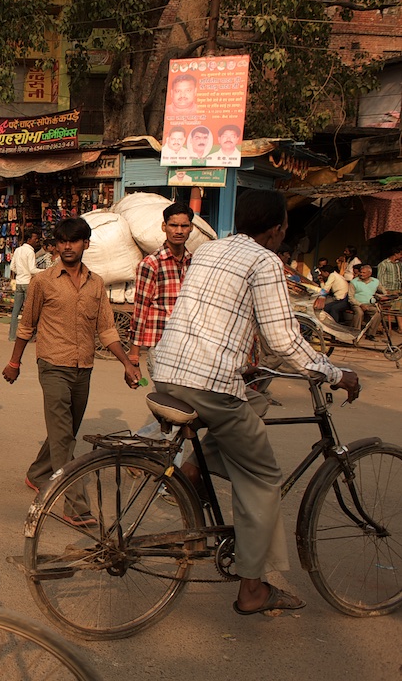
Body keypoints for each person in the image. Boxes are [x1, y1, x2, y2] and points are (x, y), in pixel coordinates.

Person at [149, 189, 358, 616]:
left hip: (167, 367)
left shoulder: (209, 250)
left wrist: (244, 364)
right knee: (263, 476)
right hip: (206, 381)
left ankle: (191, 473)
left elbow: (217, 315)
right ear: (278, 227)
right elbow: (283, 339)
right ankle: (252, 590)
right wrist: (335, 373)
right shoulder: (265, 262)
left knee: (254, 406)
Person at [2, 218, 139, 522]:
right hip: (52, 365)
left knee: (64, 432)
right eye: (62, 241)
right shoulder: (43, 281)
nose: (67, 246)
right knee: (65, 438)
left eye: (74, 241)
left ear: (85, 244)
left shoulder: (97, 283)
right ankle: (75, 506)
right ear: (56, 245)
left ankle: (38, 473)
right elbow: (27, 325)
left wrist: (127, 364)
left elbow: (107, 330)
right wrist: (15, 362)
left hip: (83, 368)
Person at [128, 203, 193, 373]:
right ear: (164, 227)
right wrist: (134, 354)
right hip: (160, 343)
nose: (179, 231)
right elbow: (140, 309)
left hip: (188, 344)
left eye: (184, 226)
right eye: (174, 225)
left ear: (191, 228)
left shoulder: (193, 263)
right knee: (164, 396)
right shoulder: (151, 264)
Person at [7, 229, 44, 343]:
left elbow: (12, 267)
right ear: (29, 239)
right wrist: (46, 271)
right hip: (28, 283)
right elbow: (32, 269)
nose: (36, 241)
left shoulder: (18, 250)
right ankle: (30, 336)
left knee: (16, 311)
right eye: (35, 239)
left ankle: (12, 336)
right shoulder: (30, 252)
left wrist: (21, 272)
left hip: (19, 283)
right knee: (30, 311)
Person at [349, 263, 388, 341]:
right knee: (359, 313)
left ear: (369, 273)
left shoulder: (375, 281)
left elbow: (384, 292)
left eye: (364, 273)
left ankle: (370, 334)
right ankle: (356, 334)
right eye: (361, 272)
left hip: (371, 304)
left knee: (378, 312)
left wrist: (383, 296)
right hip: (357, 304)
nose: (361, 274)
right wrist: (360, 304)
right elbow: (350, 297)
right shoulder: (354, 282)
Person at [376, 246, 402, 333]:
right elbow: (380, 279)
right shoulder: (383, 264)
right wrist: (385, 291)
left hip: (397, 290)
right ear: (396, 254)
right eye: (400, 254)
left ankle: (400, 327)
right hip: (388, 291)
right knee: (399, 301)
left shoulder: (399, 264)